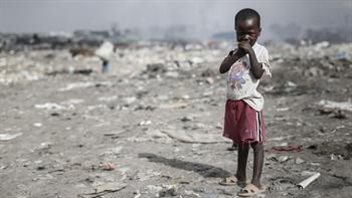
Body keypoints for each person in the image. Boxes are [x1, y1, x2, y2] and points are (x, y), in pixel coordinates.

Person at [218, 8, 271, 197]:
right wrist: (238, 53)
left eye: (251, 33)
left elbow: (257, 73)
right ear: (235, 31)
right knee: (241, 142)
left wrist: (250, 53)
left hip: (250, 104)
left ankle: (256, 182)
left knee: (256, 142)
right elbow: (222, 69)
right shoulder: (235, 51)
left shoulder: (260, 51)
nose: (246, 37)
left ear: (259, 32)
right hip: (234, 104)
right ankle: (240, 175)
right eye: (241, 33)